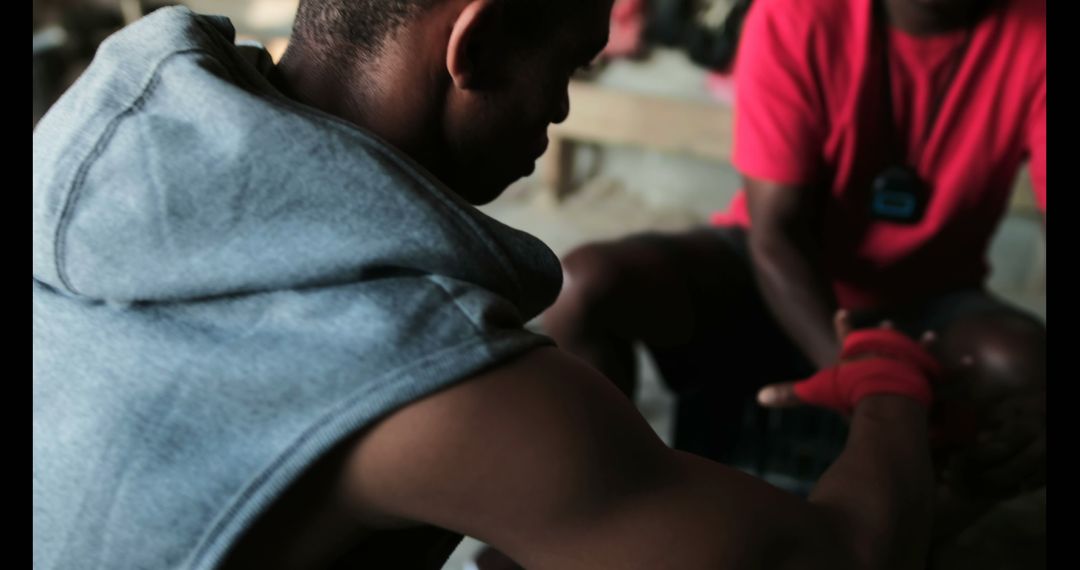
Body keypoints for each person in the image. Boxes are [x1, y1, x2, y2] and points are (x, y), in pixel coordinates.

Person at [35, 1, 942, 568]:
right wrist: (894, 382)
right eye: (567, 64)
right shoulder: (426, 373)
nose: (560, 105)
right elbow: (841, 554)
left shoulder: (71, 165)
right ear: (479, 40)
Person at [544, 0, 1045, 547]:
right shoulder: (795, 14)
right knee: (584, 287)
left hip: (928, 296)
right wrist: (867, 381)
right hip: (773, 271)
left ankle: (905, 543)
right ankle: (596, 524)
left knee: (1025, 372)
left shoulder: (1036, 30)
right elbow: (775, 235)